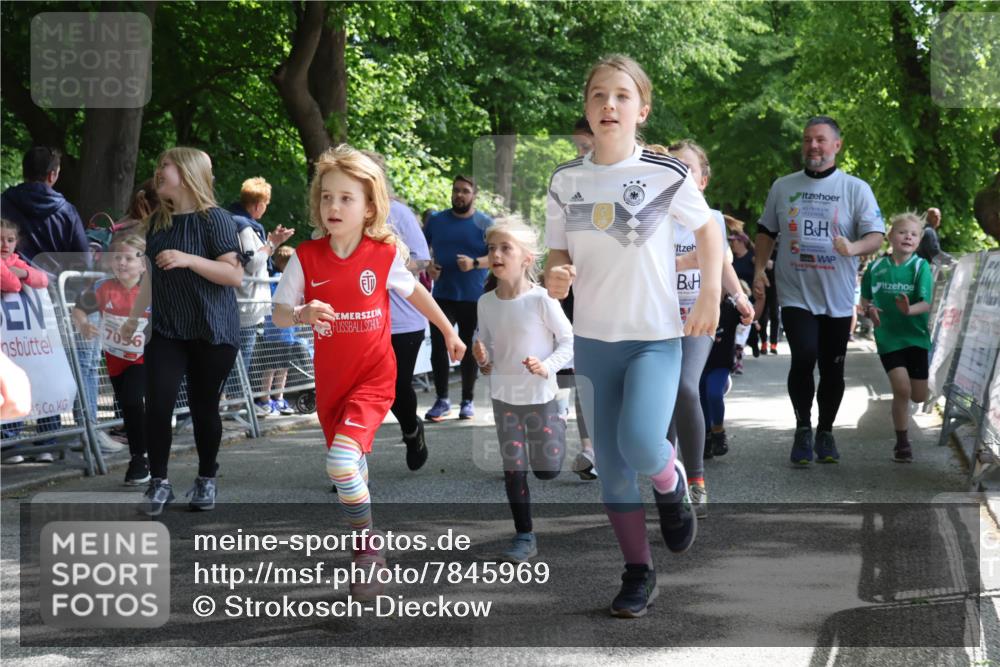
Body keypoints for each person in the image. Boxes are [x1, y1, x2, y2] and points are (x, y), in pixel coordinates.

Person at [545, 55, 723, 618]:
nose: (609, 105)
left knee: (644, 444)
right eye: (598, 95)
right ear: (587, 107)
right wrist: (554, 276)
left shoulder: (665, 173)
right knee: (612, 468)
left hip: (655, 336)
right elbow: (558, 253)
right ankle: (638, 571)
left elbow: (708, 229)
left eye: (622, 96)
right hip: (594, 340)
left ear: (641, 109)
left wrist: (712, 296)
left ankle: (672, 486)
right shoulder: (565, 180)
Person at [271, 145, 465, 600]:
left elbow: (415, 293)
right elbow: (280, 313)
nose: (333, 207)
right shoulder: (306, 256)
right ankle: (364, 540)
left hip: (375, 377)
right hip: (332, 386)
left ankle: (365, 550)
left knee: (339, 464)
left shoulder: (382, 254)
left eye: (346, 198)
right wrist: (302, 313)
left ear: (370, 207)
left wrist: (447, 331)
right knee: (348, 470)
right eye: (326, 197)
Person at [753, 116, 885, 466]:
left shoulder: (856, 188)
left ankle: (825, 431)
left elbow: (876, 235)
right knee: (804, 355)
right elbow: (766, 231)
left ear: (836, 146)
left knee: (832, 368)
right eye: (808, 140)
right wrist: (758, 270)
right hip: (796, 291)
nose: (813, 146)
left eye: (821, 140)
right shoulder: (783, 186)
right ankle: (802, 429)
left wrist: (853, 249)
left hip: (838, 297)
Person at [121, 147, 246, 516]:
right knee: (157, 403)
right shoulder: (157, 223)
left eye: (165, 166)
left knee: (203, 407)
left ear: (188, 172)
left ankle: (207, 477)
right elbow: (151, 277)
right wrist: (133, 318)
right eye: (158, 165)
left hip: (212, 330)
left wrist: (188, 258)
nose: (158, 172)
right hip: (167, 330)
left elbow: (233, 275)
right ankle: (159, 483)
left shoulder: (216, 220)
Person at [472, 218, 574, 563]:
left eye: (505, 248)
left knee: (547, 470)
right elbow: (484, 344)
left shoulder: (542, 300)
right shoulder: (485, 302)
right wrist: (482, 358)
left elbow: (568, 341)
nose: (496, 254)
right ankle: (524, 535)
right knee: (513, 468)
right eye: (491, 248)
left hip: (541, 397)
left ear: (527, 258)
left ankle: (560, 419)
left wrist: (547, 366)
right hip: (504, 398)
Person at [660, 140, 751, 519]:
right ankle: (667, 475)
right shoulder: (654, 215)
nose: (681, 174)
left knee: (684, 386)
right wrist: (685, 259)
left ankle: (696, 478)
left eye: (689, 169)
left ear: (702, 181)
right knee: (662, 397)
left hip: (699, 317)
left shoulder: (711, 219)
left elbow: (722, 264)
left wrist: (739, 296)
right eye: (674, 168)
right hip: (658, 319)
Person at [1, 147, 92, 460]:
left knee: (12, 365)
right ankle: (48, 440)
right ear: (53, 175)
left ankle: (9, 440)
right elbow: (83, 258)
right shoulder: (65, 210)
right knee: (46, 364)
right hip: (50, 301)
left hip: (7, 302)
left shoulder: (4, 203)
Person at [364, 151, 433, 471]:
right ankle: (349, 461)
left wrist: (383, 267)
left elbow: (422, 260)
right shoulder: (342, 214)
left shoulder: (399, 213)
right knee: (358, 389)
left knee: (395, 386)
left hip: (402, 319)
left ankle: (411, 430)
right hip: (359, 320)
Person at [72, 233, 152, 485]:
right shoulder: (103, 287)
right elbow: (78, 309)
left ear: (142, 264)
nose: (122, 262)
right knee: (128, 406)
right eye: (117, 257)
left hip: (145, 357)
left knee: (132, 399)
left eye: (129, 258)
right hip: (116, 358)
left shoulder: (152, 289)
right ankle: (141, 454)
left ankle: (141, 458)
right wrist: (84, 324)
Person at [860, 213, 933, 462]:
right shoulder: (876, 267)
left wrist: (908, 310)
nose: (908, 237)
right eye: (902, 232)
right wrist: (870, 311)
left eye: (913, 234)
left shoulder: (920, 267)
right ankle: (902, 443)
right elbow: (865, 300)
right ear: (890, 237)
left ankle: (906, 431)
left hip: (916, 337)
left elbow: (926, 303)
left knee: (919, 395)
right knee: (901, 389)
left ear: (920, 239)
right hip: (888, 337)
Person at [423, 176, 492, 421]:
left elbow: (497, 256)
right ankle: (442, 400)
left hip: (473, 296)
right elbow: (422, 251)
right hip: (442, 294)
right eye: (456, 190)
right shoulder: (437, 221)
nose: (459, 195)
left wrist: (474, 263)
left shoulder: (485, 223)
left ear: (474, 195)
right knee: (440, 346)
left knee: (469, 347)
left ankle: (467, 400)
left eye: (465, 191)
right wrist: (429, 267)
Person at [226, 177, 294, 414]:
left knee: (241, 355)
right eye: (265, 203)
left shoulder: (244, 223)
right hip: (245, 305)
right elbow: (254, 262)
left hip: (247, 304)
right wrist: (271, 244)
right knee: (241, 357)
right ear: (257, 204)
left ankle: (236, 402)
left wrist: (271, 243)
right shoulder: (244, 227)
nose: (265, 208)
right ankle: (235, 403)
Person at [559, 117, 597, 480]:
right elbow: (558, 246)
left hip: (624, 297)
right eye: (577, 147)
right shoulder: (567, 184)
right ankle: (589, 448)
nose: (579, 154)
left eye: (584, 147)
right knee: (582, 371)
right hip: (579, 293)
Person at [0, 218, 51, 464]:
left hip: (21, 339)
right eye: (0, 239)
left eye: (10, 240)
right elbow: (9, 284)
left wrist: (22, 272)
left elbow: (43, 280)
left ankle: (47, 442)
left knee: (29, 383)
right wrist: (15, 277)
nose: (5, 244)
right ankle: (9, 442)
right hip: (5, 341)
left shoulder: (16, 261)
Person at [257, 245, 300, 415]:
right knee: (270, 368)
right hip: (274, 333)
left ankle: (279, 398)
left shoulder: (291, 280)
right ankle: (265, 400)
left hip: (288, 333)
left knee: (283, 368)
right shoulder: (276, 279)